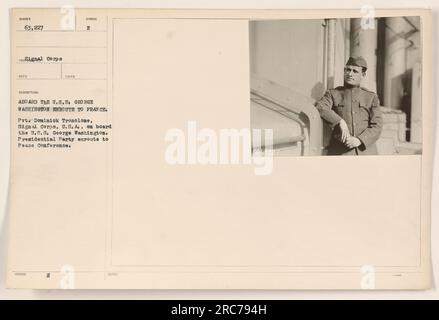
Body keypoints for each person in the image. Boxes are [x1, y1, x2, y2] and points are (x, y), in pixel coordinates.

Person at [315, 56, 383, 155]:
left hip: (365, 152)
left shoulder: (371, 97)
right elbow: (320, 107)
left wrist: (359, 140)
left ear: (363, 75)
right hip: (340, 152)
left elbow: (377, 125)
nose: (350, 74)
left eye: (355, 71)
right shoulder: (333, 93)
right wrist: (339, 121)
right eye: (348, 70)